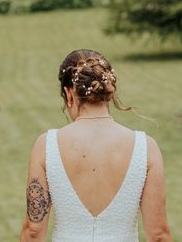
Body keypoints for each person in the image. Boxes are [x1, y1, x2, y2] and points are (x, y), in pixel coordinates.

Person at [20, 49, 172, 242]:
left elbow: (33, 231)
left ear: (68, 94)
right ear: (109, 90)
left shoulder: (46, 146)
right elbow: (159, 234)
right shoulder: (146, 147)